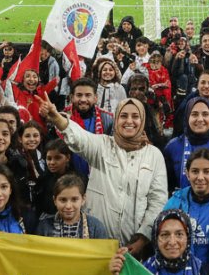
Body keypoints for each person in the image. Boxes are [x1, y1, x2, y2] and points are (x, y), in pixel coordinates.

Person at [39, 98, 168, 252]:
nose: (129, 121)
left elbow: (158, 200)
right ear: (116, 119)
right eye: (123, 116)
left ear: (143, 120)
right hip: (96, 243)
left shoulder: (154, 155)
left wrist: (143, 238)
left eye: (135, 116)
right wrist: (57, 118)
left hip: (135, 248)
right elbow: (79, 138)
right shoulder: (102, 145)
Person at [37, 174, 111, 239]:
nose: (68, 206)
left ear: (83, 199)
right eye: (63, 200)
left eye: (74, 199)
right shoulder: (44, 227)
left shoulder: (96, 227)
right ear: (55, 200)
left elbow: (102, 250)